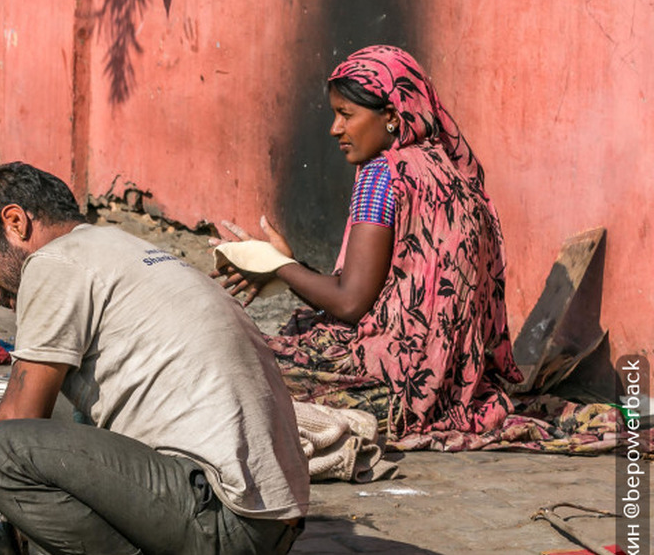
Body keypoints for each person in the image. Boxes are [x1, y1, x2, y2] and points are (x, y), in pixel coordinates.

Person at [0, 162, 309, 554]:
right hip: (268, 522)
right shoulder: (120, 247)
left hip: (224, 519)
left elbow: (18, 421)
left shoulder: (53, 263)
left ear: (15, 222)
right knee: (43, 418)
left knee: (2, 449)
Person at [213, 45, 523, 446]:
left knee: (234, 360)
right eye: (334, 114)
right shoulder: (447, 172)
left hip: (394, 388)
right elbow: (383, 293)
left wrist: (274, 265)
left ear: (391, 117)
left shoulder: (383, 175)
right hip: (451, 387)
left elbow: (351, 303)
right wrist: (294, 268)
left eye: (346, 114)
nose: (334, 129)